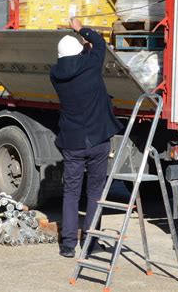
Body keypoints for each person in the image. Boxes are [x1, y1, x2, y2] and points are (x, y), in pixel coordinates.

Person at [50, 18, 123, 258]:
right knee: (95, 192)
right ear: (81, 51)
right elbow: (100, 44)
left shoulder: (55, 74)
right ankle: (90, 242)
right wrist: (82, 29)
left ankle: (68, 245)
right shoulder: (90, 65)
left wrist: (82, 43)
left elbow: (88, 52)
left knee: (71, 193)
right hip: (98, 139)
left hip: (72, 141)